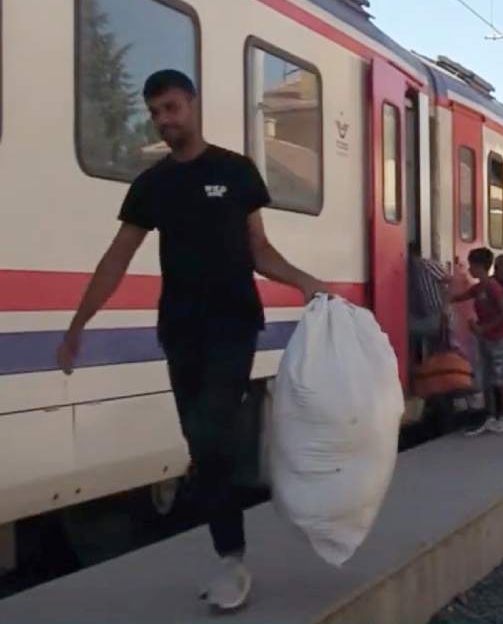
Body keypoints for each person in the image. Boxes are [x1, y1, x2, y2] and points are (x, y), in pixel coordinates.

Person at [54, 69, 328, 613]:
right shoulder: (152, 186)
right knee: (200, 447)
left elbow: (258, 250)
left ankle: (231, 558)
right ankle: (231, 553)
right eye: (156, 112)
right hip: (179, 331)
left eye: (172, 108)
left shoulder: (236, 172)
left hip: (234, 325)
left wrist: (307, 283)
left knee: (209, 431)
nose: (165, 120)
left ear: (194, 105)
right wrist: (78, 324)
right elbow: (117, 258)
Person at [452, 248, 503, 435]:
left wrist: (484, 328)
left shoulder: (493, 287)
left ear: (480, 267)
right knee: (488, 377)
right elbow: (462, 297)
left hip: (499, 338)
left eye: (471, 265)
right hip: (486, 339)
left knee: (501, 376)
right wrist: (448, 294)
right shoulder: (479, 287)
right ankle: (491, 415)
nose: (469, 269)